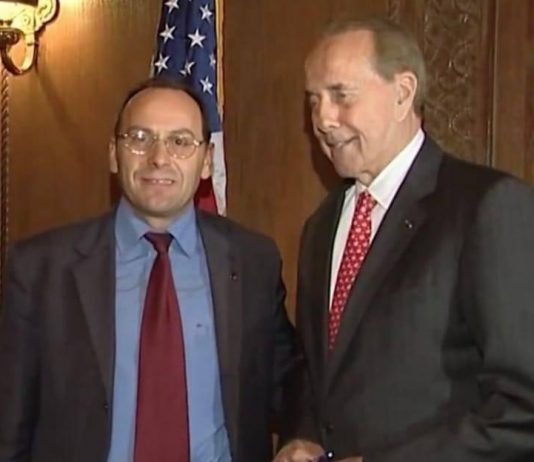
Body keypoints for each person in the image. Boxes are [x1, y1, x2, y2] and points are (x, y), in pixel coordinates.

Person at [276, 17, 534, 462]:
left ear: (402, 93)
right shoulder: (322, 226)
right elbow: (320, 374)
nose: (322, 119)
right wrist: (302, 437)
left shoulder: (486, 207)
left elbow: (522, 408)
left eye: (341, 95)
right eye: (314, 101)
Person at [0, 76, 297, 462]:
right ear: (113, 154)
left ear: (207, 161)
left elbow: (290, 379)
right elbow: (10, 424)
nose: (159, 158)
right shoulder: (41, 269)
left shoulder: (253, 260)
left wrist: (303, 438)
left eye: (180, 142)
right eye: (140, 138)